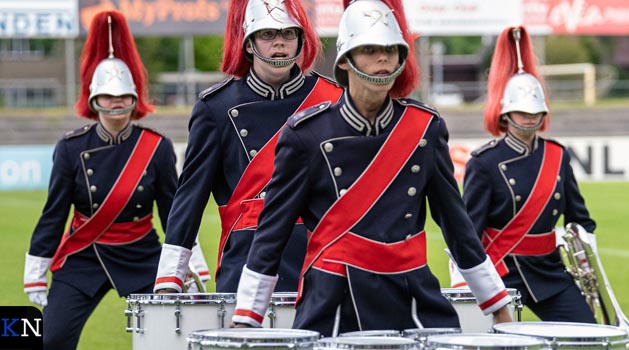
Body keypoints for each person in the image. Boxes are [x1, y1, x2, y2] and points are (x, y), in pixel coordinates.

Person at [231, 0, 513, 336]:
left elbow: (456, 223)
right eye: (369, 50)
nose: (382, 59)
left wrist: (497, 305)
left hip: (411, 294)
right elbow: (273, 230)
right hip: (333, 297)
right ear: (346, 61)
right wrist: (247, 315)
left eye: (390, 50)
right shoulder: (307, 134)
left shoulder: (425, 129)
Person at [20, 11, 207, 350]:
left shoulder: (157, 147)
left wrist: (190, 265)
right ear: (94, 101)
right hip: (84, 254)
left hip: (143, 254)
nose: (116, 102)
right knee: (49, 339)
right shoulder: (70, 148)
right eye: (108, 97)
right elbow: (54, 212)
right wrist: (36, 270)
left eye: (123, 96)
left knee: (171, 338)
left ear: (135, 100)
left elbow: (174, 211)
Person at [153, 0, 342, 294]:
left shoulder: (333, 98)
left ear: (301, 40)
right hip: (247, 259)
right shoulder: (216, 107)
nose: (279, 42)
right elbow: (190, 197)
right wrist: (170, 276)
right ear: (249, 43)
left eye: (289, 34)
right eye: (267, 34)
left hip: (322, 257)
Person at [456, 26, 597, 323]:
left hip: (549, 272)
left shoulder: (557, 156)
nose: (530, 116)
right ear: (506, 114)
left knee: (586, 333)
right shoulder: (485, 162)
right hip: (500, 272)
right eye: (522, 110)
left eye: (535, 111)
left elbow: (579, 217)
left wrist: (587, 248)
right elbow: (468, 231)